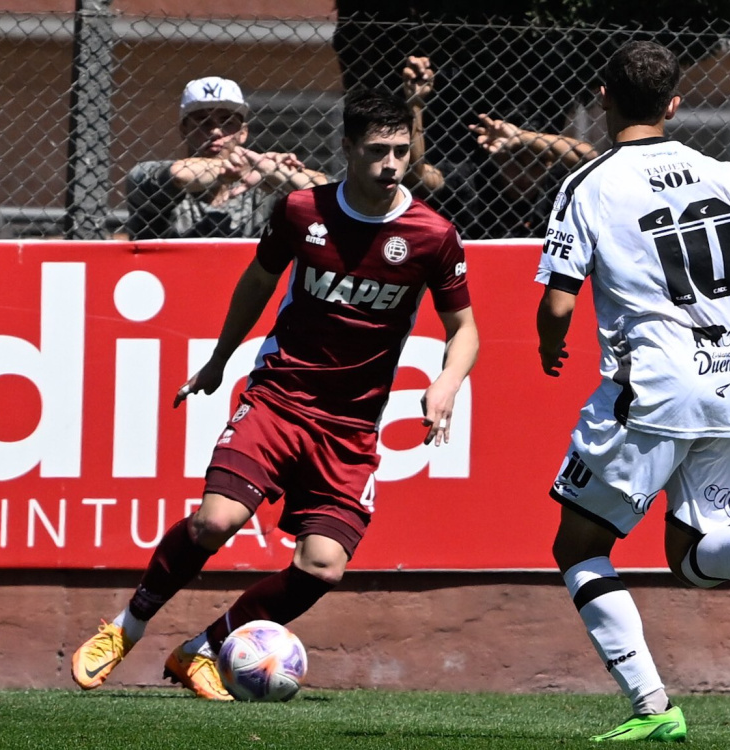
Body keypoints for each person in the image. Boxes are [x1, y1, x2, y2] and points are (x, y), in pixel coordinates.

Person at [73, 86, 480, 699]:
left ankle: (203, 649)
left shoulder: (432, 234)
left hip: (351, 426)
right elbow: (258, 282)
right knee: (215, 522)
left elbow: (465, 329)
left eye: (401, 151)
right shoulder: (300, 211)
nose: (391, 164)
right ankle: (126, 628)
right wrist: (219, 360)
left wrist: (446, 382)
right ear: (348, 148)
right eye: (377, 151)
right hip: (279, 398)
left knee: (323, 566)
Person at [535, 40, 730, 742]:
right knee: (693, 556)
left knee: (579, 549)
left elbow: (557, 302)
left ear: (603, 97)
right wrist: (729, 335)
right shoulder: (720, 172)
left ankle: (652, 707)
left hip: (651, 390)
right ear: (674, 103)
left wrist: (550, 347)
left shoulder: (590, 183)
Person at [400, 55, 598, 239]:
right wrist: (415, 104)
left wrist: (521, 137)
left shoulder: (554, 185)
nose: (526, 176)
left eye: (538, 164)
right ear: (496, 156)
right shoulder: (471, 179)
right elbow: (417, 176)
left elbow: (589, 158)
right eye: (516, 161)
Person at [125, 76, 328, 240]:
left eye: (227, 122)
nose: (215, 131)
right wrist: (246, 168)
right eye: (203, 122)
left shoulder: (260, 184)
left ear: (243, 133)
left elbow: (327, 191)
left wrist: (274, 171)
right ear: (184, 130)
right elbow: (180, 175)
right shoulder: (149, 174)